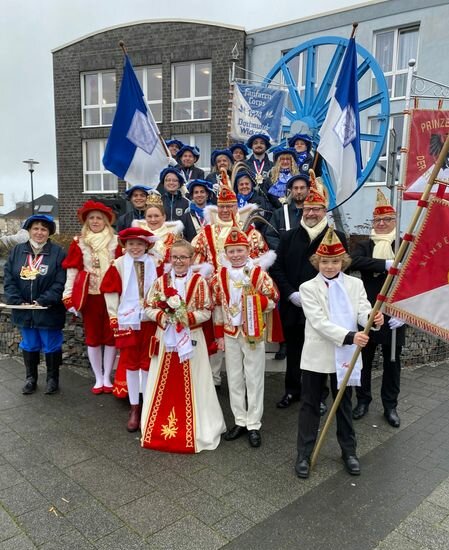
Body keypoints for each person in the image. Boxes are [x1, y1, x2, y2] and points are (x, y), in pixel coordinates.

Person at [295, 227, 384, 479]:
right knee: (310, 405)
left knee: (343, 404)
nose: (330, 266)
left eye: (335, 261)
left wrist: (372, 318)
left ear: (342, 262)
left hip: (344, 357)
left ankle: (349, 451)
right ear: (317, 262)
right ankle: (304, 453)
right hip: (317, 355)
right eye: (325, 261)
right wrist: (349, 336)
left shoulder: (355, 284)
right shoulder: (308, 288)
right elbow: (319, 322)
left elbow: (362, 311)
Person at [141, 240, 226, 453]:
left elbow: (207, 310)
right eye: (175, 257)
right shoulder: (160, 282)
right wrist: (164, 316)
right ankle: (158, 426)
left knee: (196, 382)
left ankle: (198, 429)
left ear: (191, 259)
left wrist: (184, 317)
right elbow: (148, 308)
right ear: (170, 259)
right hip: (166, 338)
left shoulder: (199, 282)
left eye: (183, 257)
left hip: (192, 339)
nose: (179, 261)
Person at [270, 176, 346, 409]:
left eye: (316, 209)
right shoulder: (288, 237)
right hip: (294, 306)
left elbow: (342, 272)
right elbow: (277, 268)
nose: (311, 213)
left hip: (324, 308)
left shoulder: (336, 238)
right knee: (294, 351)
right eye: (307, 208)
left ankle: (318, 395)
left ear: (324, 210)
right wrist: (291, 294)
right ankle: (292, 390)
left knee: (320, 352)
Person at [191, 182, 269, 388]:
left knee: (244, 331)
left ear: (237, 207)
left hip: (243, 293)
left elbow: (260, 257)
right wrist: (206, 273)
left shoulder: (250, 232)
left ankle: (244, 377)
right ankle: (214, 376)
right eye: (222, 206)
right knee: (217, 331)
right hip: (215, 289)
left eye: (230, 206)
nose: (225, 210)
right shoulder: (205, 233)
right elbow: (195, 258)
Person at [211, 226, 279, 448]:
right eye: (231, 251)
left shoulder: (258, 273)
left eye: (240, 250)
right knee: (234, 377)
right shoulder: (220, 275)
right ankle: (239, 420)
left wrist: (259, 302)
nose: (236, 255)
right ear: (226, 253)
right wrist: (219, 333)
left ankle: (254, 423)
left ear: (248, 250)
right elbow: (218, 307)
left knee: (254, 377)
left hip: (252, 332)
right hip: (231, 332)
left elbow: (273, 299)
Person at [350, 189, 406, 428]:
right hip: (368, 311)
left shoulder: (404, 244)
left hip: (396, 313)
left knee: (392, 362)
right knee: (364, 358)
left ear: (395, 220)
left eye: (387, 220)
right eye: (377, 220)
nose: (382, 224)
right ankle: (363, 400)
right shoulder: (364, 245)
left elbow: (413, 278)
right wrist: (386, 264)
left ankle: (390, 405)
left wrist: (405, 313)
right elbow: (353, 262)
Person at [101, 227, 158, 431]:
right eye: (131, 244)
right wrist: (114, 317)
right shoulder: (117, 265)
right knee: (132, 364)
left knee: (148, 362)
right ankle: (135, 407)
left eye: (140, 243)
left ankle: (147, 404)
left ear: (146, 245)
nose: (135, 247)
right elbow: (110, 292)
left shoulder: (155, 263)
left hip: (151, 320)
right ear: (125, 246)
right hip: (128, 321)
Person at [4, 214, 66, 395]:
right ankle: (30, 379)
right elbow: (9, 278)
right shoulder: (17, 251)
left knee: (51, 345)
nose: (39, 232)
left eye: (44, 229)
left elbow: (60, 282)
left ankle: (52, 379)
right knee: (29, 344)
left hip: (48, 309)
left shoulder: (58, 253)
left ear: (49, 232)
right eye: (36, 228)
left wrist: (45, 299)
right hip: (24, 310)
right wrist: (15, 299)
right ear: (29, 230)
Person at [62, 201, 120, 394]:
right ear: (86, 221)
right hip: (90, 297)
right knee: (93, 338)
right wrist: (68, 296)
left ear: (106, 221)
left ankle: (107, 378)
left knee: (110, 337)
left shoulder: (116, 241)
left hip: (112, 296)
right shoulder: (79, 242)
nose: (95, 221)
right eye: (92, 218)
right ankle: (98, 377)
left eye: (99, 218)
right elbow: (72, 270)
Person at [133, 193, 184, 276]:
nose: (153, 219)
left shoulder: (173, 237)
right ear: (145, 217)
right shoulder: (137, 236)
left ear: (164, 217)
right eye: (149, 216)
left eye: (156, 216)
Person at [265, 174, 310, 251]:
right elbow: (270, 236)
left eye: (302, 188)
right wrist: (283, 250)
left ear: (308, 190)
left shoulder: (314, 213)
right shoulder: (279, 213)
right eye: (295, 188)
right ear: (291, 190)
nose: (299, 191)